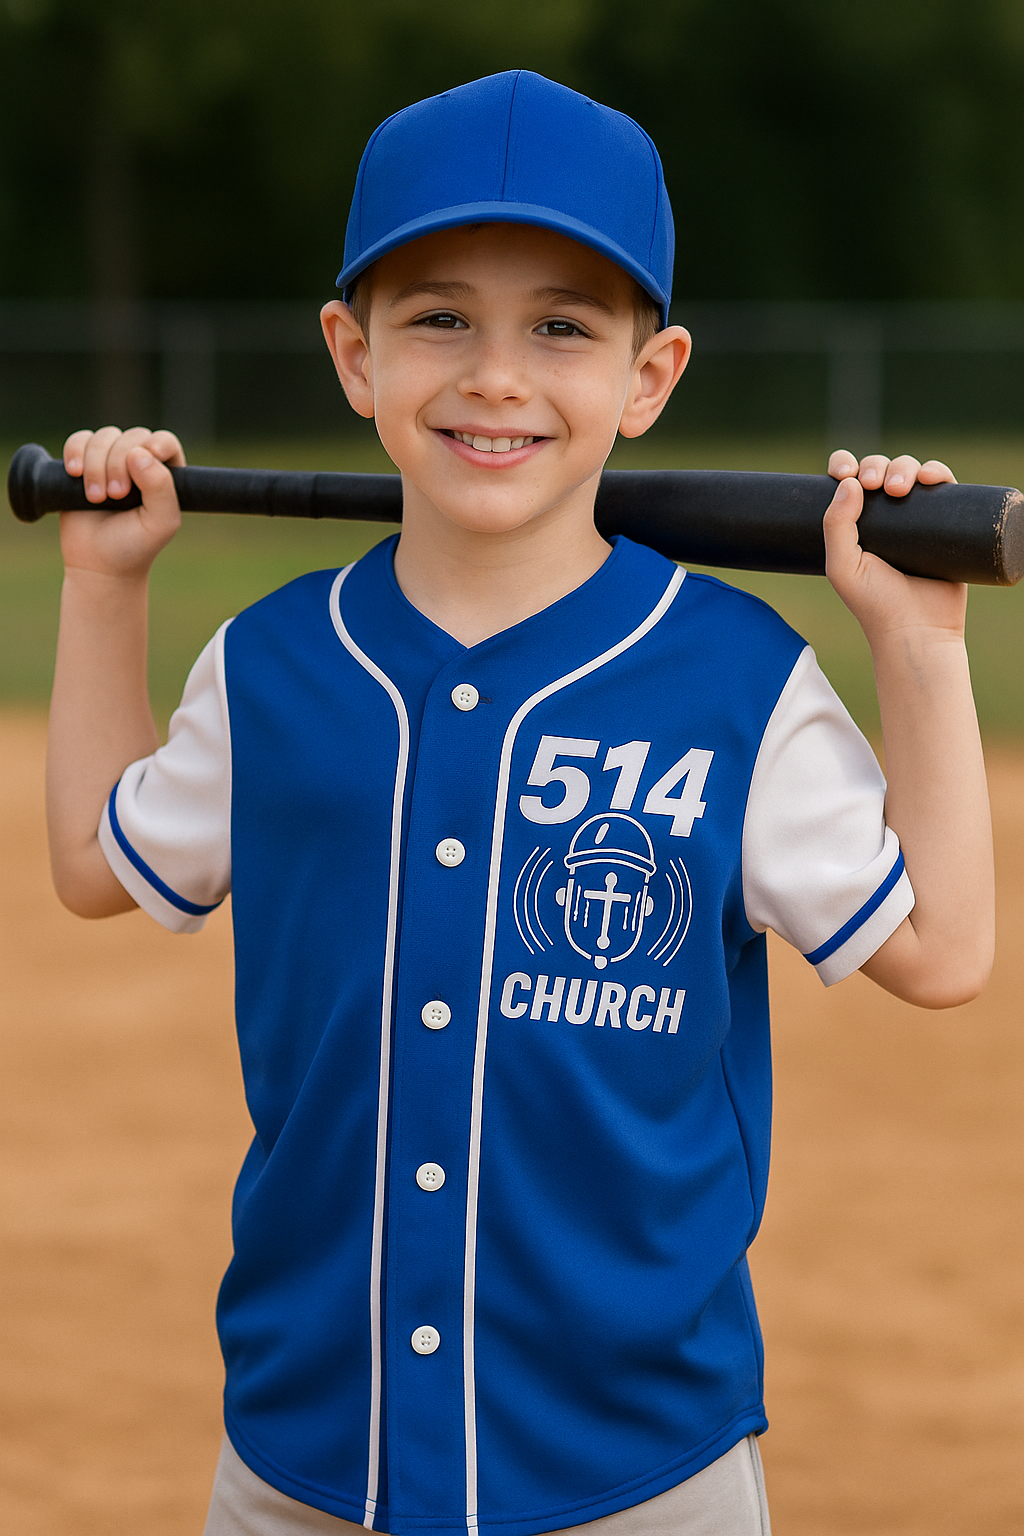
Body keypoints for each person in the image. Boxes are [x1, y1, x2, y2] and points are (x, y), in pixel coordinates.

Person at [45, 71, 993, 1536]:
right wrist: (106, 590)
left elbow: (941, 952)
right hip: (311, 1453)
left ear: (649, 375)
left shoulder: (731, 681)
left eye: (562, 324)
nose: (496, 375)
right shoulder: (279, 668)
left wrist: (919, 650)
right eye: (440, 319)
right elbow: (102, 862)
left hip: (634, 1470)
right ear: (353, 357)